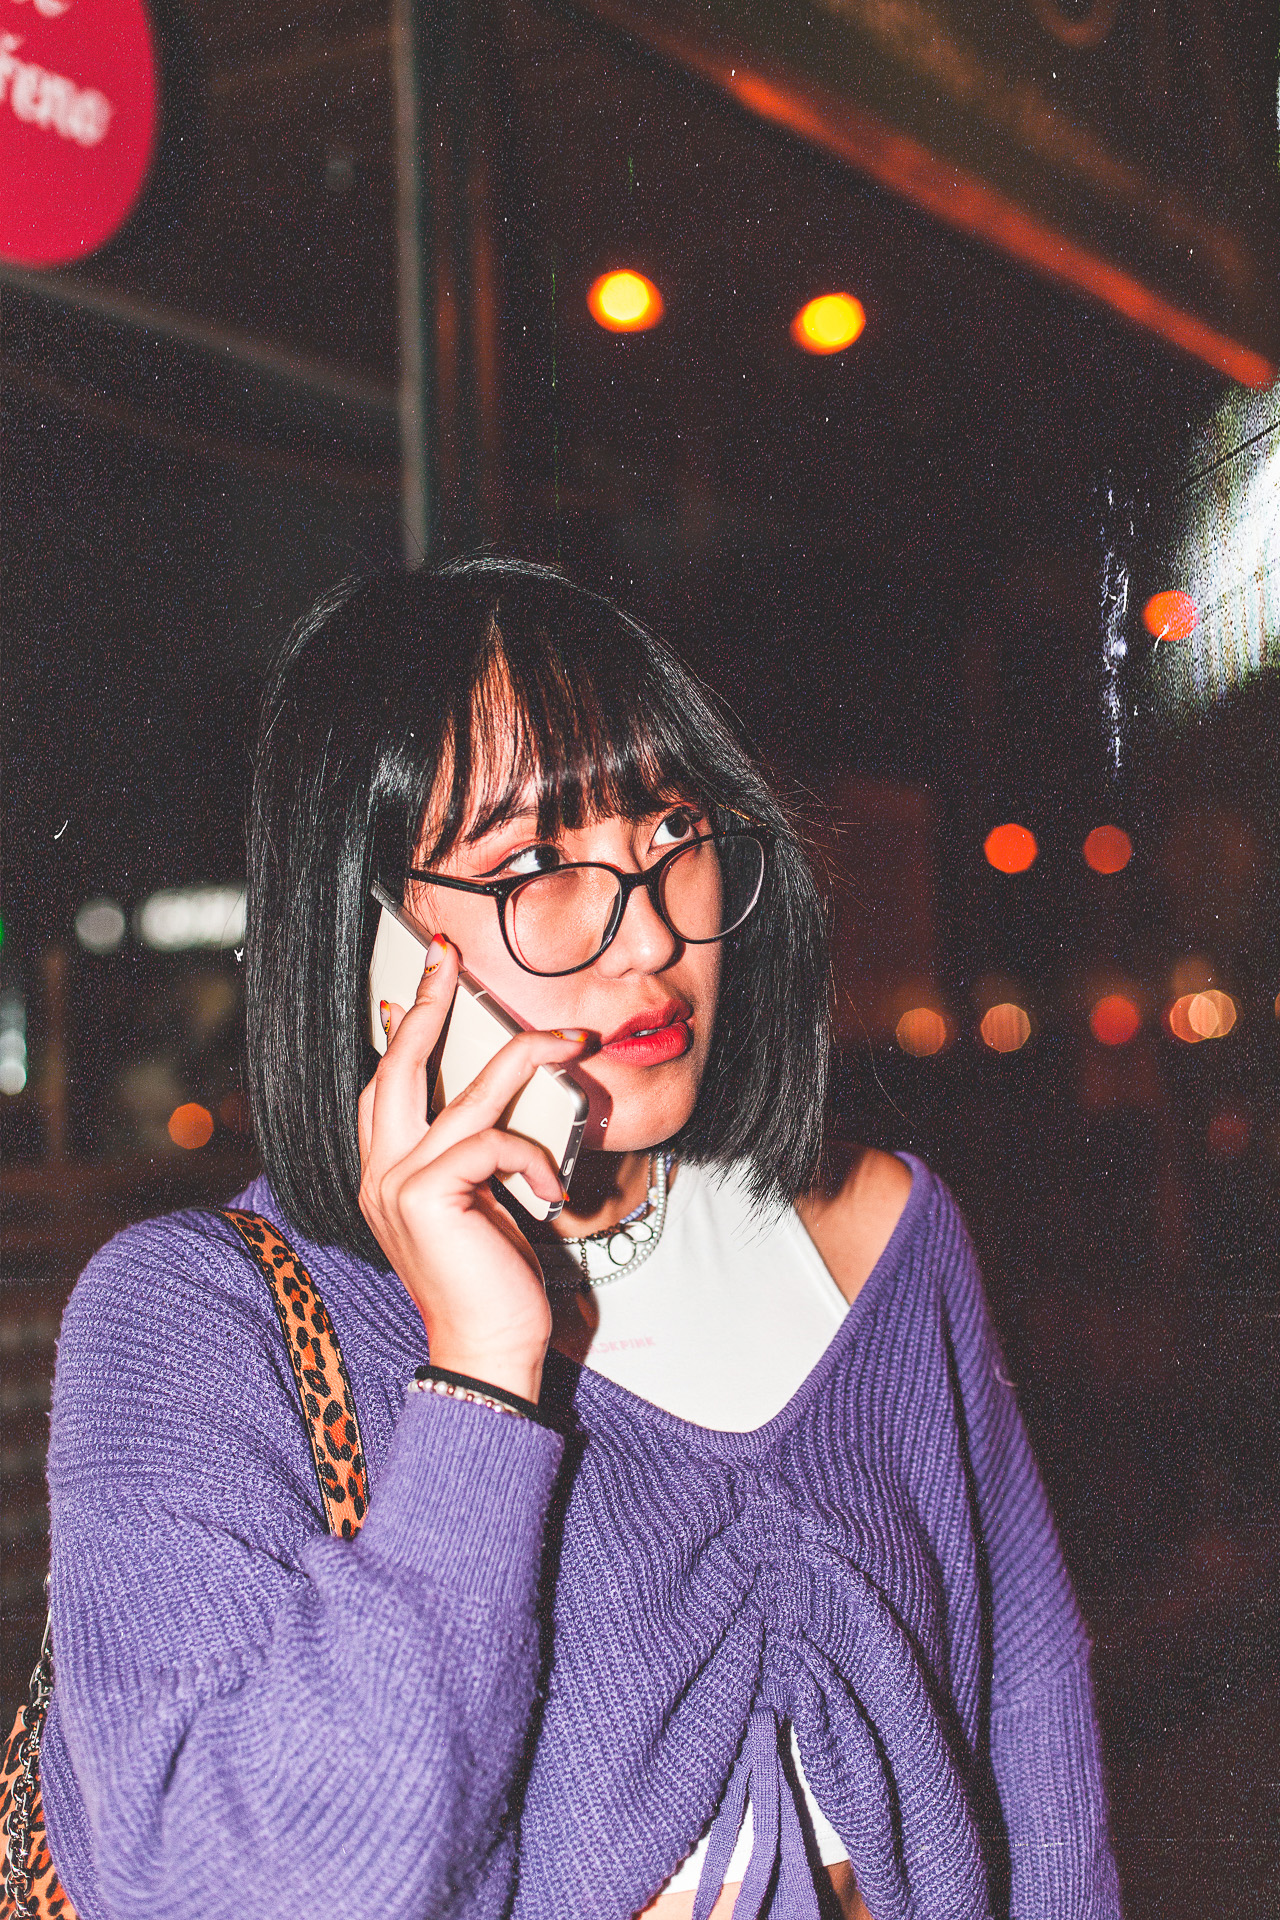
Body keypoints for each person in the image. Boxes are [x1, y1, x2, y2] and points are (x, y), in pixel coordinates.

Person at [39, 559, 1120, 1920]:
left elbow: (1041, 1772)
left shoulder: (885, 1240)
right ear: (376, 948)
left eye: (673, 829)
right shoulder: (197, 1322)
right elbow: (235, 1893)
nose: (650, 933)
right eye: (536, 865)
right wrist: (480, 1377)